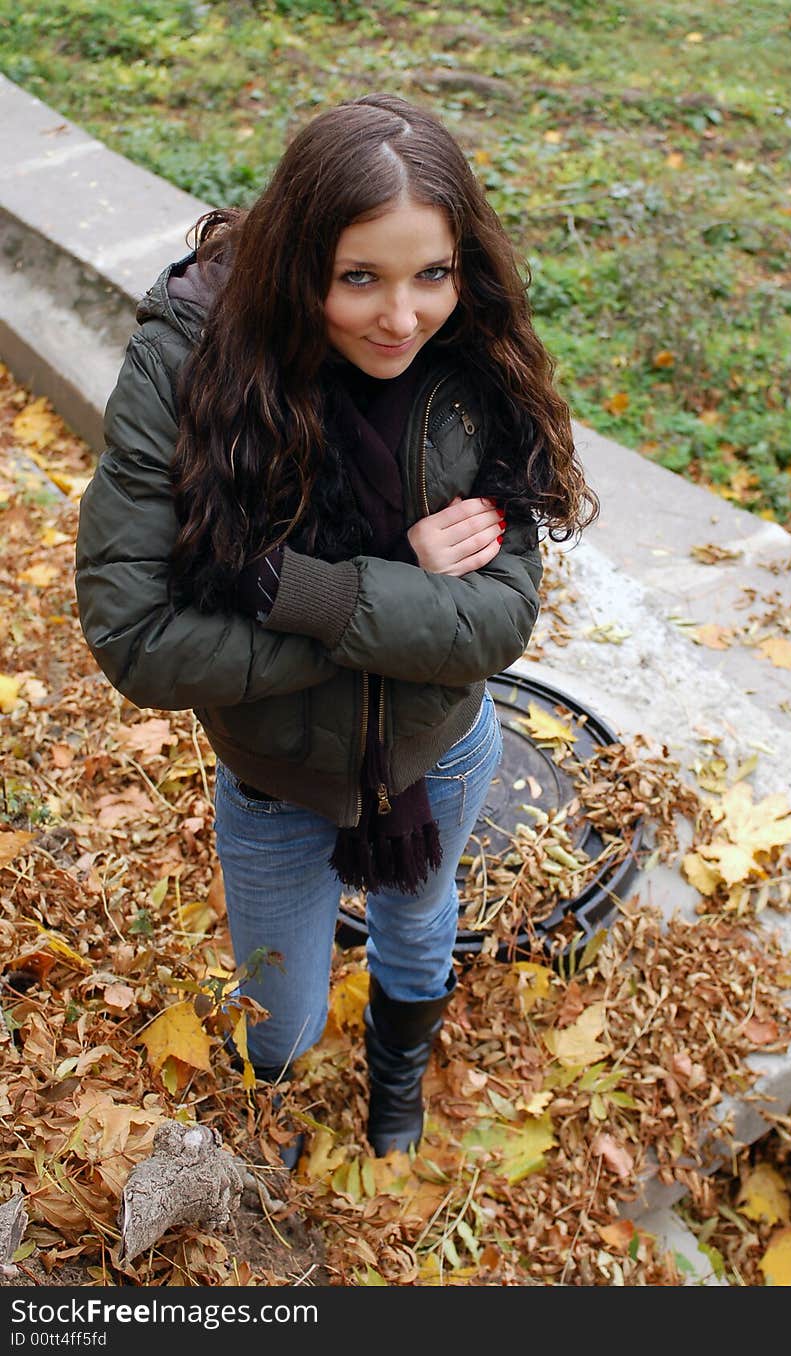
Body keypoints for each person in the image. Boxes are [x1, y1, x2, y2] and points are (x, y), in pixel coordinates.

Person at [75, 93, 598, 1164]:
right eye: (358, 277)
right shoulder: (193, 366)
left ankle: (396, 1086)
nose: (401, 317)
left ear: (464, 266)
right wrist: (394, 585)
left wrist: (301, 590)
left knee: (419, 930)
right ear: (295, 259)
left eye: (430, 275)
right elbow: (136, 636)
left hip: (437, 760)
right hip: (274, 780)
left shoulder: (474, 367)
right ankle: (268, 1118)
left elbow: (497, 617)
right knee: (283, 1012)